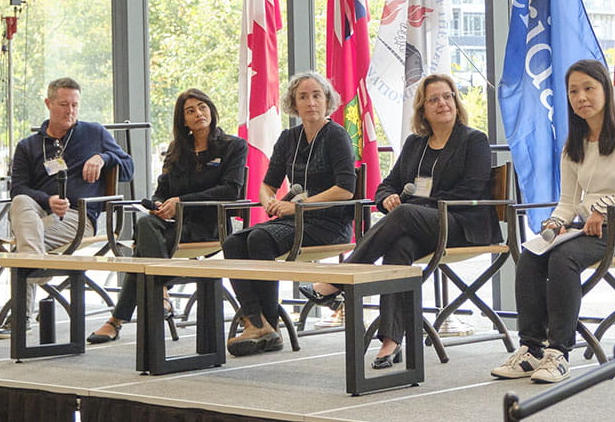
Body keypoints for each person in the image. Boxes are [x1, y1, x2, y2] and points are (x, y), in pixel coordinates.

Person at [301, 73, 500, 369]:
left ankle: (339, 278)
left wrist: (411, 206)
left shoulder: (474, 140)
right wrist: (387, 199)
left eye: (447, 96)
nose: (442, 103)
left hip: (462, 225)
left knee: (405, 214)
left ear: (456, 102)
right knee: (399, 248)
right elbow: (387, 184)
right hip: (420, 225)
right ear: (423, 109)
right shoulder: (415, 144)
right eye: (434, 99)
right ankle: (390, 342)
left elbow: (469, 191)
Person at [491, 59, 615, 383]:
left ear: (605, 90)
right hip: (591, 230)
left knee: (564, 257)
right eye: (573, 91)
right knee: (532, 254)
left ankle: (558, 353)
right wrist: (554, 224)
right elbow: (568, 203)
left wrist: (608, 207)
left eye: (588, 88)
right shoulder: (573, 145)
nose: (581, 97)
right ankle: (531, 349)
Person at [88, 88, 246, 344]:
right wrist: (159, 204)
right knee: (146, 222)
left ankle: (119, 318)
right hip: (174, 226)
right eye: (190, 111)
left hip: (210, 225)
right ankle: (159, 291)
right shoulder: (177, 149)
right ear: (183, 120)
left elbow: (231, 190)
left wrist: (181, 202)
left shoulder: (233, 146)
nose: (198, 113)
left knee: (144, 250)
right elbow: (162, 191)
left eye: (202, 107)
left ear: (211, 110)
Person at [221, 71, 356, 356]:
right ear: (294, 103)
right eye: (303, 97)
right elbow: (267, 184)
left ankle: (268, 324)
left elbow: (345, 190)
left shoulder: (336, 135)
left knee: (259, 238)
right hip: (294, 221)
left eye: (316, 95)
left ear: (327, 100)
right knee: (233, 241)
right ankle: (257, 322)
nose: (311, 102)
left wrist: (298, 206)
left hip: (329, 223)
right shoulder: (288, 138)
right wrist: (268, 201)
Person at [0, 77, 136, 339]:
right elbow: (18, 189)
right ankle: (36, 268)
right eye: (63, 104)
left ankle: (21, 313)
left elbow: (128, 168)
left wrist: (103, 157)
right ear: (48, 103)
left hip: (77, 216)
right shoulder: (28, 146)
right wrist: (47, 201)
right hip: (38, 214)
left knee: (24, 247)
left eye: (74, 105)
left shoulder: (94, 133)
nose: (70, 111)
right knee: (21, 203)